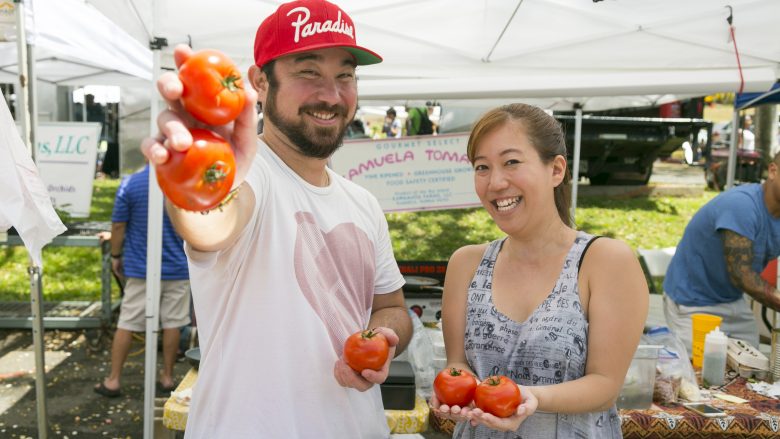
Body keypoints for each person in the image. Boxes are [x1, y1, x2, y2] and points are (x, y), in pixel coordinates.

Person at [140, 0, 412, 437]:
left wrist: (382, 336)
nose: (331, 94)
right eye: (309, 72)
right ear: (260, 83)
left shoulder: (363, 203)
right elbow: (213, 224)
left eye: (345, 75)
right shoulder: (252, 177)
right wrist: (199, 177)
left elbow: (391, 306)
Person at [432, 103, 648, 437]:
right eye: (482, 167)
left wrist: (529, 397)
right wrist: (458, 390)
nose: (495, 182)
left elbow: (605, 384)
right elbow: (458, 364)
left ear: (556, 170)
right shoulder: (466, 264)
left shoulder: (605, 261)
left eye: (511, 162)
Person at [664, 151, 780, 352]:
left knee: (753, 370)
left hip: (732, 300)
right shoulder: (742, 206)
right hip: (692, 302)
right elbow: (741, 276)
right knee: (698, 376)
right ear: (773, 171)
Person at [93, 164, 191, 398]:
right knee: (173, 323)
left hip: (141, 268)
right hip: (177, 266)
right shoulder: (183, 181)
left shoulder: (131, 183)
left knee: (127, 323)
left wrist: (116, 255)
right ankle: (167, 377)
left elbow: (118, 225)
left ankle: (114, 379)